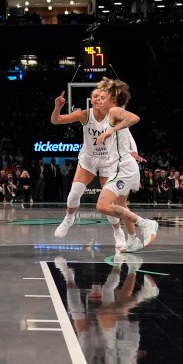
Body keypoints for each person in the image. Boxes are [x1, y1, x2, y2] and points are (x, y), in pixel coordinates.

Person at [50, 87, 128, 246]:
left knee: (108, 204)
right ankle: (68, 219)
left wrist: (132, 152)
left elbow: (127, 133)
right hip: (88, 159)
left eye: (102, 97)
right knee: (73, 194)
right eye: (95, 96)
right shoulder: (84, 114)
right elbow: (55, 120)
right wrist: (58, 107)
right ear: (91, 100)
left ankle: (117, 231)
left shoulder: (114, 115)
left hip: (108, 160)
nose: (98, 99)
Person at [89, 78, 159, 252]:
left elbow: (134, 118)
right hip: (120, 165)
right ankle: (133, 239)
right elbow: (128, 134)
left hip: (123, 167)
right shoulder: (108, 117)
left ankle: (146, 224)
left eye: (102, 98)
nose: (99, 100)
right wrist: (133, 149)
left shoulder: (114, 110)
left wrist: (110, 131)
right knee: (122, 206)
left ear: (113, 99)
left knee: (103, 206)